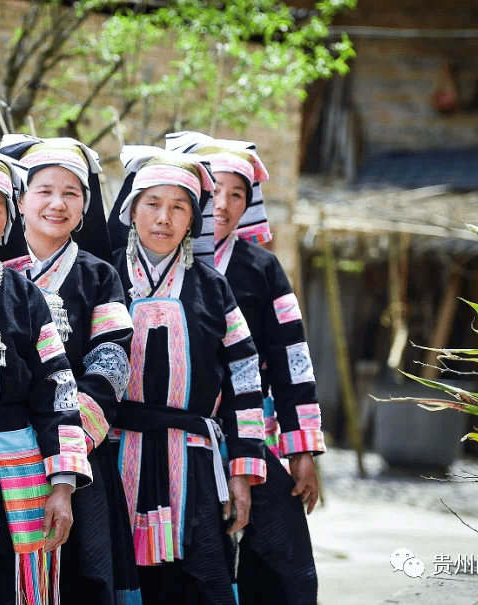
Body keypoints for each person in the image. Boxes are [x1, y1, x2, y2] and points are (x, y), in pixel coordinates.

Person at [167, 131, 324, 605]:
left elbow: (292, 360)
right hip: (175, 436)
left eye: (238, 193)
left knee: (284, 554)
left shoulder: (263, 268)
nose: (224, 203)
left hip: (252, 434)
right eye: (215, 190)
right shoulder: (156, 266)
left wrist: (301, 450)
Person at [106, 147, 269, 605]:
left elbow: (245, 378)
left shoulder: (213, 288)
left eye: (178, 207)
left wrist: (242, 472)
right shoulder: (103, 277)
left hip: (195, 463)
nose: (164, 218)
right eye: (152, 204)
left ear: (192, 220)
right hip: (115, 458)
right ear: (131, 210)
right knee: (116, 576)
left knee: (202, 583)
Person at [0, 152, 93, 605]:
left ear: (9, 218)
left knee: (10, 587)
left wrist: (62, 486)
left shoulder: (27, 298)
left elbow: (59, 392)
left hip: (16, 468)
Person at [0, 135, 140, 605]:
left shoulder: (101, 277)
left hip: (78, 457)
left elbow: (111, 363)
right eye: (44, 190)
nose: (57, 203)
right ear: (20, 200)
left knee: (84, 577)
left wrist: (64, 448)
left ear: (84, 208)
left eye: (71, 193)